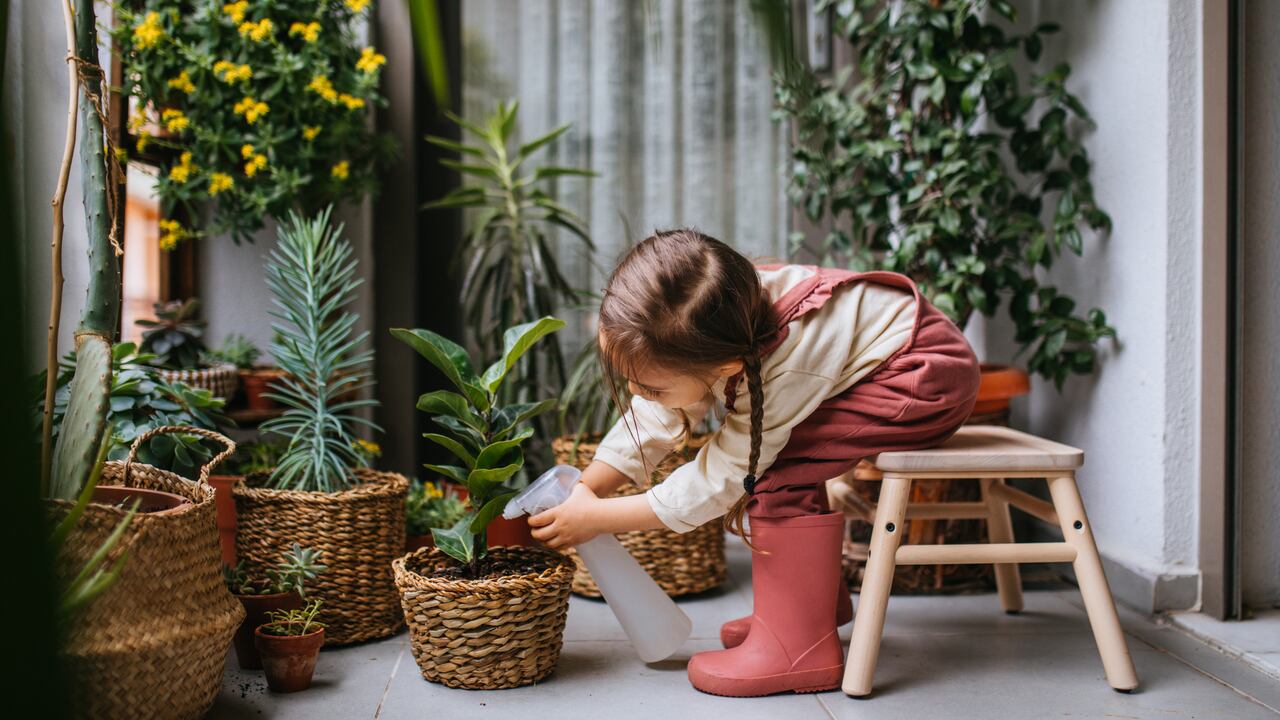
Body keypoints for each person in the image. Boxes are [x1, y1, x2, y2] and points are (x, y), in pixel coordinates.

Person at [529, 228, 980, 697]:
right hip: (890, 358)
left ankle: (800, 649)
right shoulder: (718, 314)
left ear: (723, 368)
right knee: (779, 455)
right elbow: (658, 411)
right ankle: (808, 611)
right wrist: (593, 484)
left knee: (772, 472)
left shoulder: (784, 362)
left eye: (652, 386)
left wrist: (599, 516)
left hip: (921, 379)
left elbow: (724, 478)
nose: (639, 394)